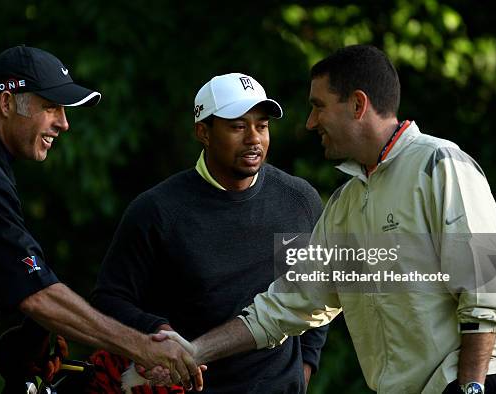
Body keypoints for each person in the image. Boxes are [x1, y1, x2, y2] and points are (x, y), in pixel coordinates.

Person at [158, 45, 496, 394]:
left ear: (358, 105)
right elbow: (284, 306)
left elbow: (488, 290)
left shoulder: (441, 165)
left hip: (473, 383)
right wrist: (192, 351)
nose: (311, 122)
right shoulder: (345, 204)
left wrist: (470, 386)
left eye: (319, 107)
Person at [0, 45, 201, 392]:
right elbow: (37, 294)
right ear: (6, 102)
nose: (64, 123)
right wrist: (143, 348)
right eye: (51, 106)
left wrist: (31, 339)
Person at [91, 73, 329, 393]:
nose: (254, 138)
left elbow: (319, 289)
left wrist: (306, 366)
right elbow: (108, 299)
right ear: (203, 132)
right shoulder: (157, 210)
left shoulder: (299, 199)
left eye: (262, 125)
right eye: (238, 126)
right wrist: (157, 330)